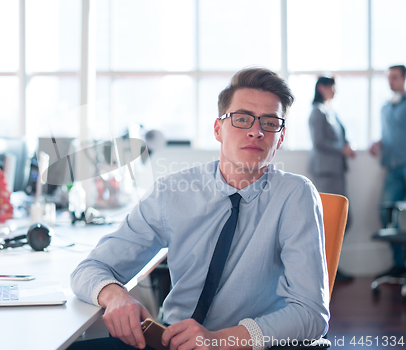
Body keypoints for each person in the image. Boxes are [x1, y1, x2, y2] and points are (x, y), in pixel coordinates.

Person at [70, 67, 329, 350]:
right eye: (242, 119)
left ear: (279, 137)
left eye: (269, 123)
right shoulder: (172, 191)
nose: (256, 132)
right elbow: (90, 269)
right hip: (172, 341)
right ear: (218, 129)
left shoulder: (295, 195)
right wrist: (115, 295)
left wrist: (219, 341)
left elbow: (311, 313)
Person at [308, 76, 355, 282]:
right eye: (332, 86)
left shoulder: (330, 110)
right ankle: (325, 271)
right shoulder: (317, 112)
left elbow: (338, 136)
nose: (335, 90)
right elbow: (319, 142)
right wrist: (341, 149)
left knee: (343, 219)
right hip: (326, 172)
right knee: (328, 221)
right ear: (322, 87)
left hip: (336, 171)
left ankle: (331, 267)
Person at [370, 65, 406, 278]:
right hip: (392, 169)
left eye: (394, 77)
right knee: (386, 214)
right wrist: (378, 143)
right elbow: (391, 133)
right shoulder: (385, 107)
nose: (390, 81)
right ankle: (400, 263)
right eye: (388, 77)